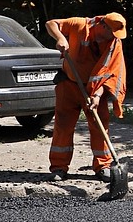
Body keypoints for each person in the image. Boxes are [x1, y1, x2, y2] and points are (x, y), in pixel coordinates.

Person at [45, 13, 128, 182]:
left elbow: (113, 73)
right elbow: (50, 23)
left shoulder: (114, 43)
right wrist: (61, 38)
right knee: (63, 125)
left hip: (95, 90)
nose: (114, 37)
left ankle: (103, 166)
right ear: (103, 26)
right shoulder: (79, 25)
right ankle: (59, 168)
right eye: (112, 32)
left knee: (99, 126)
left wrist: (97, 95)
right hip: (68, 84)